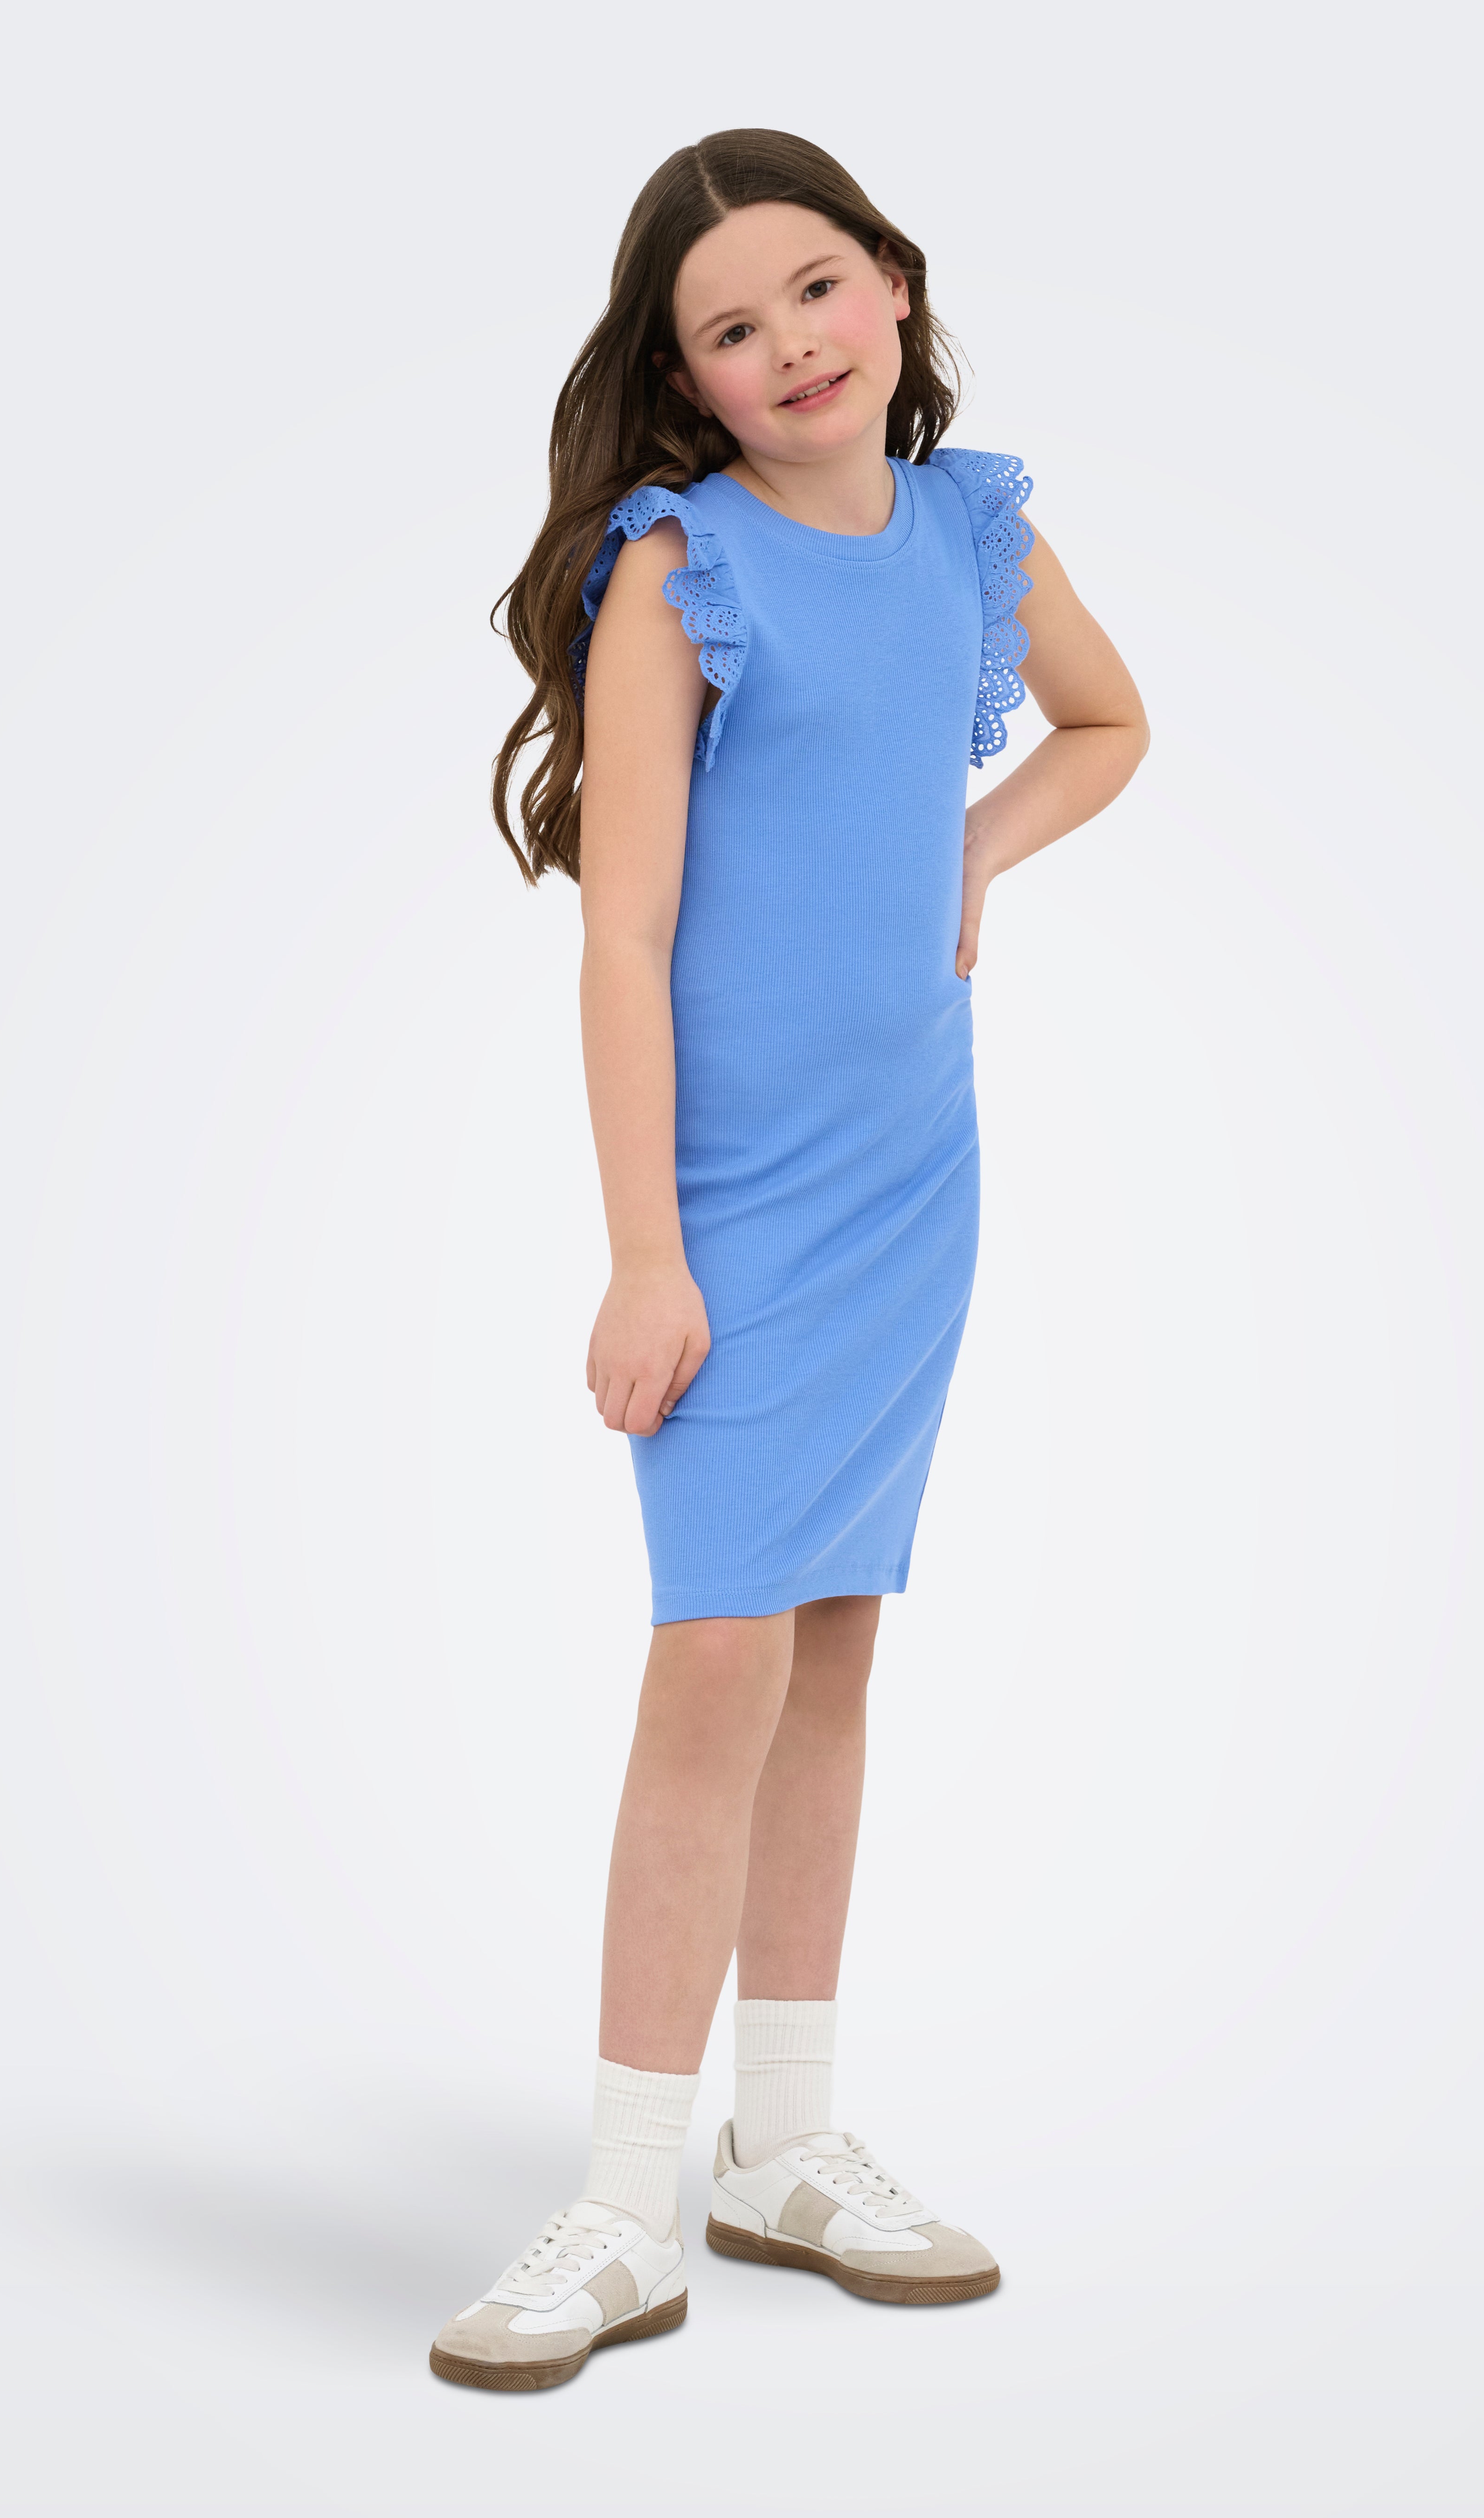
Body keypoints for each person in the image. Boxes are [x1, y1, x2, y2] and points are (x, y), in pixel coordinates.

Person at [431, 129, 1148, 2391]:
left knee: (829, 1647)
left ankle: (786, 2144)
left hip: (911, 1172)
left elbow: (1113, 723)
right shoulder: (679, 572)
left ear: (895, 285)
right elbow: (623, 935)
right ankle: (623, 2201)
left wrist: (970, 854)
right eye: (732, 329)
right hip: (733, 1199)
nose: (793, 345)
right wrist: (643, 1254)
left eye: (818, 288)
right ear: (687, 385)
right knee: (715, 1655)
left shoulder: (970, 531)